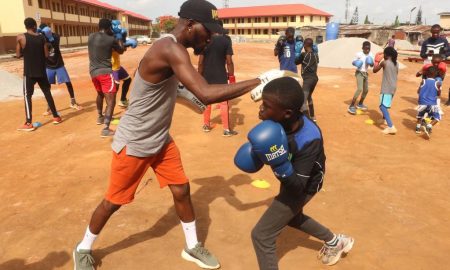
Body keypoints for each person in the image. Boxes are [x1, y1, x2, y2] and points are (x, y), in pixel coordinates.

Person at [72, 1, 290, 269]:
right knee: (114, 201)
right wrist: (260, 80)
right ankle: (83, 248)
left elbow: (180, 91)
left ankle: (192, 246)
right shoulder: (169, 48)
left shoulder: (172, 48)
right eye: (207, 31)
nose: (210, 37)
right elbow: (206, 92)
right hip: (136, 141)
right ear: (189, 25)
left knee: (182, 189)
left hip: (160, 139)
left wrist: (191, 100)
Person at [234, 77, 354, 270]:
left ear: (287, 113)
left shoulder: (308, 139)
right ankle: (336, 242)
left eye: (266, 106)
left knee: (262, 236)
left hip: (305, 183)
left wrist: (278, 162)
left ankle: (335, 242)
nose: (260, 109)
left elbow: (297, 188)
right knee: (293, 217)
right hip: (293, 172)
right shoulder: (284, 118)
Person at [16, 17, 62, 131]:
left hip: (29, 72)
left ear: (25, 26)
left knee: (27, 96)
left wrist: (25, 52)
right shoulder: (42, 38)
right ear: (34, 26)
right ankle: (56, 116)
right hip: (41, 71)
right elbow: (46, 55)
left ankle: (28, 122)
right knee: (47, 93)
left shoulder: (21, 37)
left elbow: (18, 55)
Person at [88, 18, 125, 137]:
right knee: (111, 100)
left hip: (93, 72)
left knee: (100, 94)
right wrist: (119, 36)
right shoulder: (111, 39)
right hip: (105, 72)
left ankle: (100, 117)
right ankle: (106, 129)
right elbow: (121, 51)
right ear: (109, 28)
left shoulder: (90, 36)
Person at [198, 26, 237, 136]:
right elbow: (229, 61)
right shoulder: (226, 41)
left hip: (206, 76)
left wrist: (199, 77)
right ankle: (226, 130)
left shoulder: (204, 41)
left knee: (207, 102)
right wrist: (232, 76)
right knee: (224, 103)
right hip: (221, 76)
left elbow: (200, 62)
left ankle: (206, 125)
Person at [38, 24, 83, 113]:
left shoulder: (55, 36)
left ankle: (73, 102)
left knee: (68, 82)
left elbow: (55, 38)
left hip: (59, 64)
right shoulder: (40, 39)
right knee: (47, 86)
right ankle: (49, 107)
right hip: (48, 66)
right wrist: (40, 35)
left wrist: (47, 35)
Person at [110, 19, 137, 108]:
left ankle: (122, 100)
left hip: (117, 66)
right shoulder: (110, 38)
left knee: (128, 80)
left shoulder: (118, 36)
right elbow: (117, 48)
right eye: (117, 26)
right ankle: (108, 110)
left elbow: (122, 50)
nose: (119, 27)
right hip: (112, 67)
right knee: (114, 89)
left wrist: (126, 42)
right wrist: (128, 44)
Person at [373, 47, 399, 135]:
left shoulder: (385, 62)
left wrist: (376, 61)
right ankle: (384, 119)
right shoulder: (396, 63)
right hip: (393, 87)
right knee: (386, 104)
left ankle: (391, 126)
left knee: (382, 107)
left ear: (387, 55)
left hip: (386, 87)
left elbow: (374, 70)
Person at [295, 38, 319, 121]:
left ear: (304, 45)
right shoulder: (316, 55)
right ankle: (312, 116)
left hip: (307, 80)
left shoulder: (303, 55)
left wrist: (297, 52)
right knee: (309, 97)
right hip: (315, 79)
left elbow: (295, 62)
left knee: (303, 101)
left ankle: (308, 121)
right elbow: (317, 61)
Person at [348, 41, 374, 114]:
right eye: (365, 48)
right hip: (359, 73)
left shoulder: (371, 54)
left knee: (366, 90)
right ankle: (351, 106)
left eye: (368, 49)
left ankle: (360, 104)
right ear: (362, 48)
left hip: (365, 73)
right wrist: (356, 63)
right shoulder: (359, 54)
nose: (367, 50)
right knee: (360, 89)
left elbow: (372, 65)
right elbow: (353, 62)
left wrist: (371, 63)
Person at [416, 66, 441, 138]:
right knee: (437, 117)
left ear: (426, 73)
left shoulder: (423, 81)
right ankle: (429, 126)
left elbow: (418, 91)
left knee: (420, 115)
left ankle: (417, 129)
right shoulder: (437, 83)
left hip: (422, 103)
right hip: (432, 104)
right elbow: (438, 94)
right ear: (436, 74)